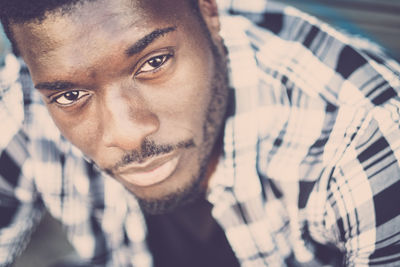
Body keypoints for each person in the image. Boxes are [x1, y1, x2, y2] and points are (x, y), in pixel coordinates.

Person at [0, 0, 399, 266]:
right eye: (71, 95)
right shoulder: (22, 105)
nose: (127, 134)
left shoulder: (361, 138)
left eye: (154, 62)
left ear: (209, 12)